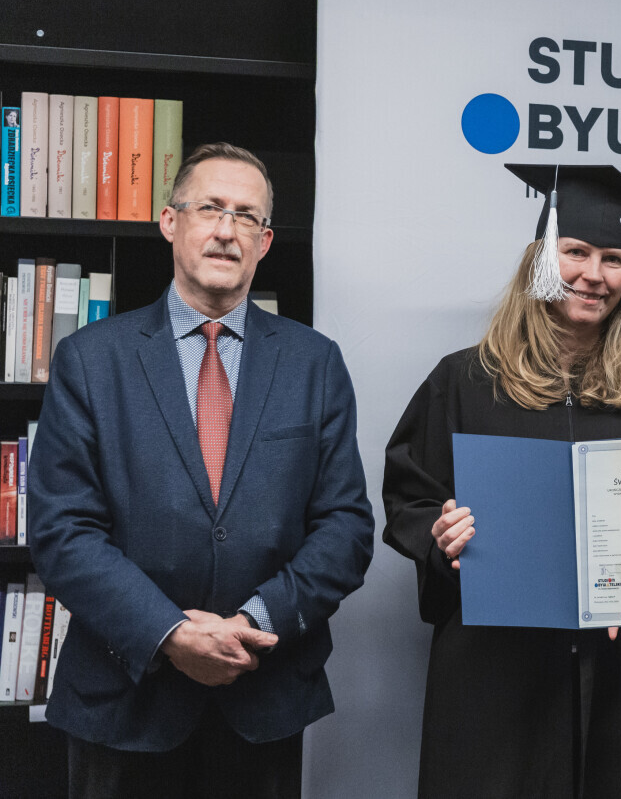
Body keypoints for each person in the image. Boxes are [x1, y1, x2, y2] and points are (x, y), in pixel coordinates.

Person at [28, 143, 375, 799]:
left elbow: (346, 526)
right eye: (210, 208)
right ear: (170, 221)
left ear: (265, 241)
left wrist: (254, 620)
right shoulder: (90, 360)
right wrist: (170, 633)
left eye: (246, 216)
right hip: (123, 701)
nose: (226, 229)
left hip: (263, 696)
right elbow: (62, 530)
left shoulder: (315, 363)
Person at [382, 164, 621, 799]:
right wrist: (441, 534)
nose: (594, 274)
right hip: (495, 668)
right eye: (575, 251)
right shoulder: (467, 380)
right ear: (540, 261)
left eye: (613, 259)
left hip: (620, 665)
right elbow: (411, 496)